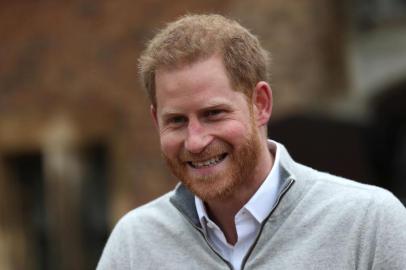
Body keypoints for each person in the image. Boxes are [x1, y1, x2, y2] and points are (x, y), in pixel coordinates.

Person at [97, 14, 406, 270]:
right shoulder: (134, 245)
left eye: (213, 114)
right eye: (176, 120)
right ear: (156, 121)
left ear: (260, 104)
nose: (195, 141)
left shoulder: (369, 224)